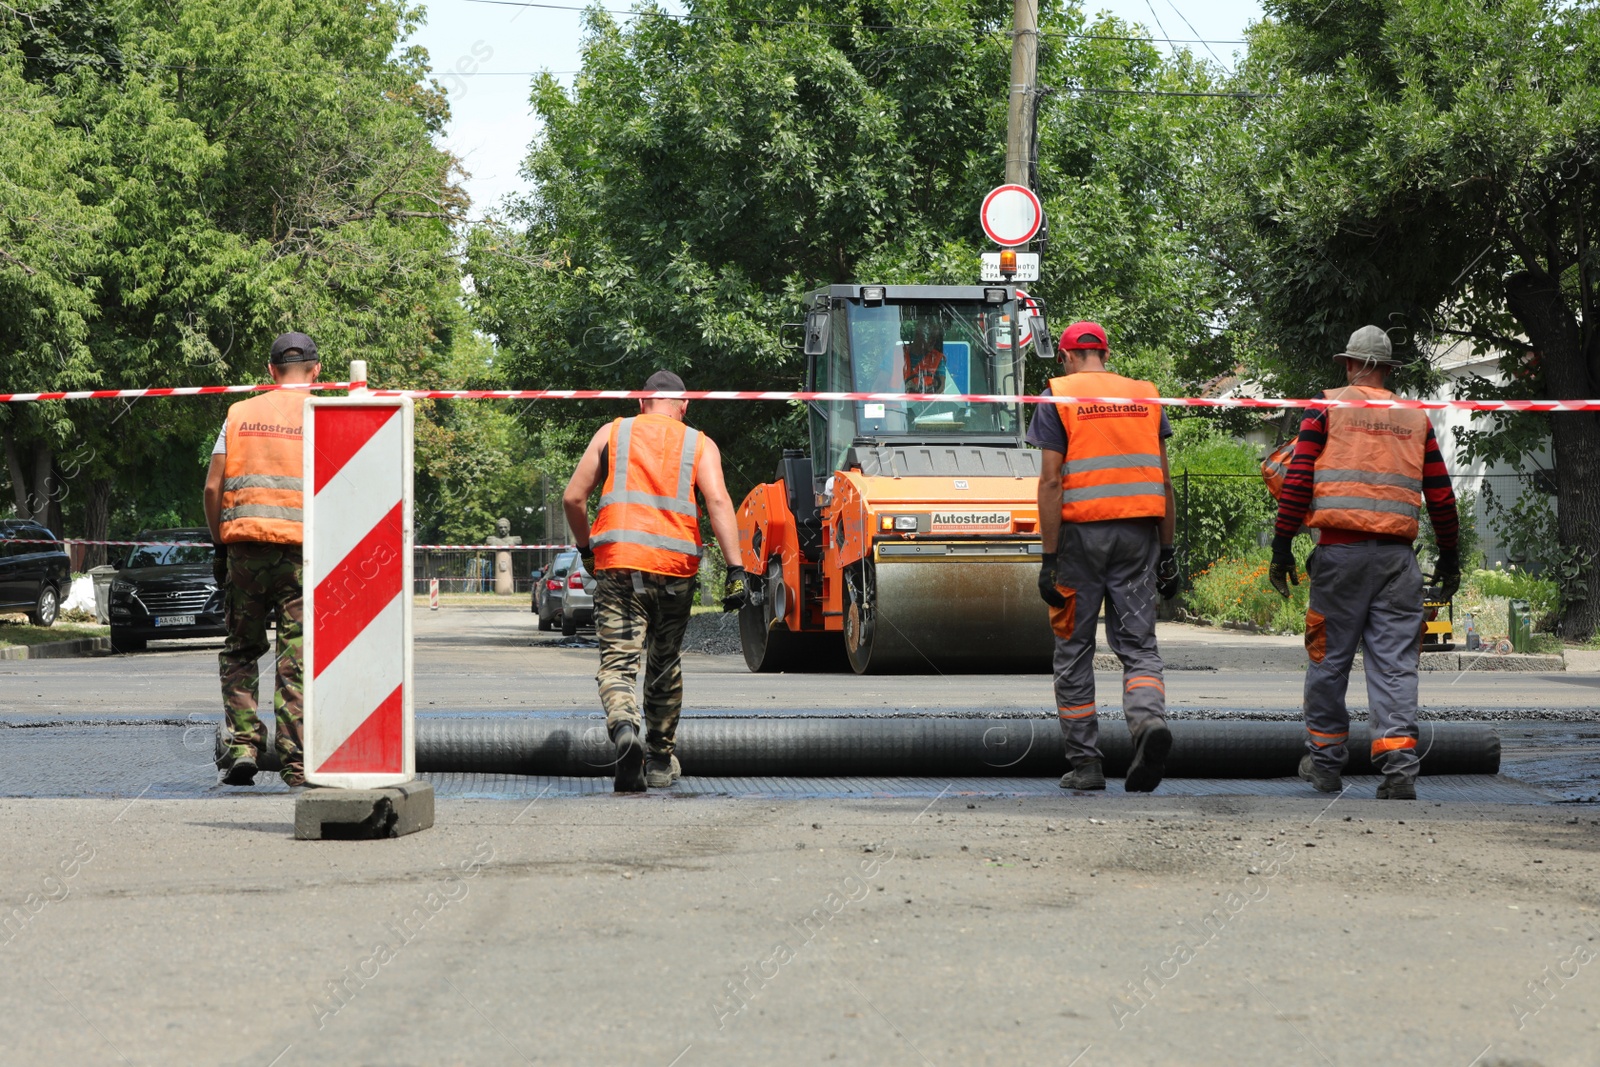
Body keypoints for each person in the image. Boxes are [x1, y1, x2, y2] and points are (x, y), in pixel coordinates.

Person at [1268, 325, 1459, 801]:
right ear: (1389, 371)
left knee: (1329, 662)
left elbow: (1297, 481)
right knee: (1395, 666)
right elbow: (1440, 494)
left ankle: (1327, 764)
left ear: (1350, 364)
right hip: (1398, 562)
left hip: (1339, 556)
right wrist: (1451, 557)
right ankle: (1398, 770)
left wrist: (1281, 545)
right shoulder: (1414, 417)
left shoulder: (1327, 406)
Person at [563, 370, 749, 792]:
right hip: (674, 571)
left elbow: (573, 497)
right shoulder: (698, 443)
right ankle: (660, 761)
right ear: (684, 405)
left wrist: (586, 548)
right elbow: (718, 500)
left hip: (619, 567)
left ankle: (625, 728)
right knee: (664, 663)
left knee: (618, 664)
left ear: (641, 402)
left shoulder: (612, 434)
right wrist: (736, 570)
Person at [1031, 321, 1180, 793]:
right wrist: (1170, 549)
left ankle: (1086, 765)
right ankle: (1148, 724)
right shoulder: (1145, 395)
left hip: (1079, 539)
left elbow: (1052, 482)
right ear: (1104, 353)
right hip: (1139, 536)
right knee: (1138, 646)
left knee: (1074, 650)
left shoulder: (1059, 394)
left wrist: (1048, 558)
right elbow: (1165, 481)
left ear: (1067, 356)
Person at [203, 332, 320, 787]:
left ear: (270, 371)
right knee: (296, 656)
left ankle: (243, 748)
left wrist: (220, 546)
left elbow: (213, 489)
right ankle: (295, 763)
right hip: (299, 556)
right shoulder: (322, 416)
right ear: (316, 370)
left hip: (245, 553)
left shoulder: (238, 414)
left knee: (241, 649)